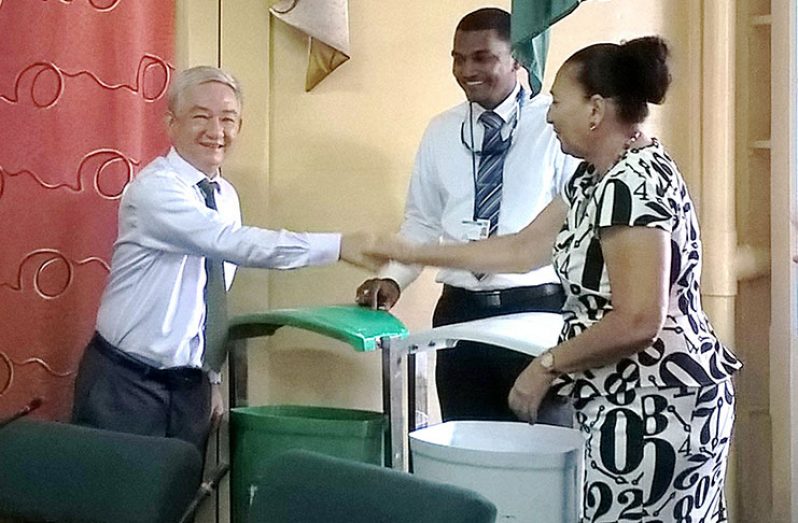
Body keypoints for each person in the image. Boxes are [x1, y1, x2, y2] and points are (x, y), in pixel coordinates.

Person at [367, 36, 742, 522]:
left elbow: (638, 319)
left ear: (595, 110)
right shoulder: (593, 178)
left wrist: (546, 365)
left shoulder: (632, 183)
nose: (547, 116)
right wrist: (412, 253)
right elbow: (522, 249)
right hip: (619, 400)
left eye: (558, 103)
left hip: (655, 407)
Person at [72, 66, 373, 454]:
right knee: (112, 506)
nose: (216, 131)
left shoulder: (225, 195)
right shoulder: (154, 190)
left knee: (175, 505)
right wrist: (338, 246)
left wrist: (211, 378)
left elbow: (211, 296)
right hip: (125, 382)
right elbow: (228, 243)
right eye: (200, 116)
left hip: (189, 389)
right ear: (171, 123)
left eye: (228, 119)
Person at [355, 7, 579, 425]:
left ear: (517, 58)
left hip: (534, 313)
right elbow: (421, 224)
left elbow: (569, 227)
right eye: (457, 58)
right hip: (459, 315)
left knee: (541, 456)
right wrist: (393, 278)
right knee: (467, 452)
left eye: (482, 57)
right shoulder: (441, 131)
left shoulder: (554, 124)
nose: (465, 70)